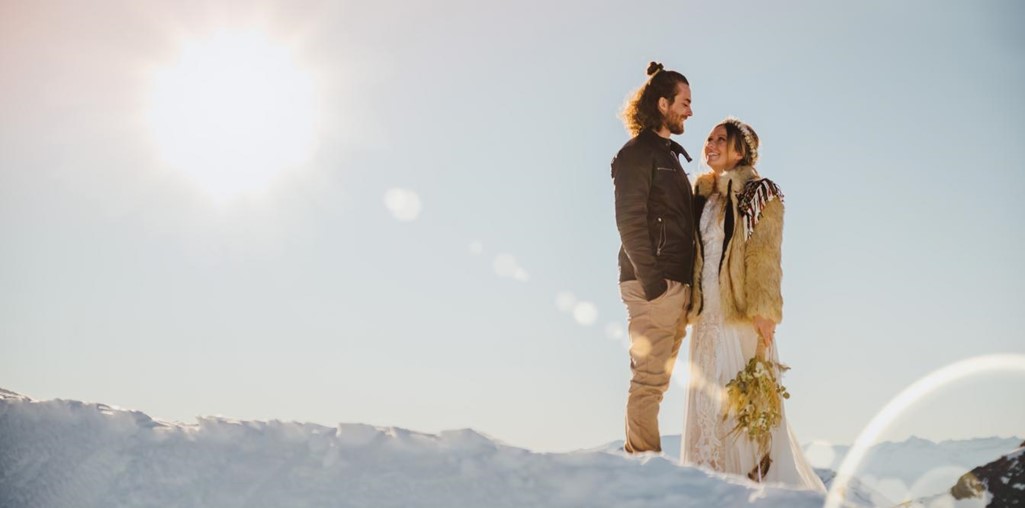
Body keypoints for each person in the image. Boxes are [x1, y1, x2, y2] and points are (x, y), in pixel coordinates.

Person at [680, 117, 825, 491]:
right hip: (708, 317)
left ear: (740, 151)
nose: (709, 145)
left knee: (740, 401)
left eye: (719, 140)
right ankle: (706, 488)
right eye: (708, 139)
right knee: (706, 403)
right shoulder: (703, 195)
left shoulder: (760, 192)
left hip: (741, 317)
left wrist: (764, 314)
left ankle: (751, 488)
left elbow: (764, 255)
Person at [611, 62, 697, 454]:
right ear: (663, 104)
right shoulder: (636, 154)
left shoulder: (669, 155)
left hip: (672, 284)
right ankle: (642, 474)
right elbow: (628, 221)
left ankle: (643, 471)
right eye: (684, 102)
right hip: (654, 284)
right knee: (648, 382)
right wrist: (654, 284)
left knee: (656, 384)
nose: (689, 111)